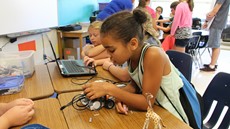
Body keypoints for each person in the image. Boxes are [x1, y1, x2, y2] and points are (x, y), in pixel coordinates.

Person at [83, 9, 202, 129]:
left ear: (133, 43)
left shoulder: (153, 55)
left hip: (175, 118)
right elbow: (134, 86)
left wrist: (110, 89)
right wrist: (119, 97)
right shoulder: (132, 55)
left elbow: (147, 102)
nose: (108, 55)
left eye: (112, 50)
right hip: (158, 112)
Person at [200, 0, 230, 71]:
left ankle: (212, 66)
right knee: (215, 44)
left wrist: (206, 20)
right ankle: (213, 63)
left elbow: (214, 11)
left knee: (215, 44)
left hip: (217, 22)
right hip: (219, 22)